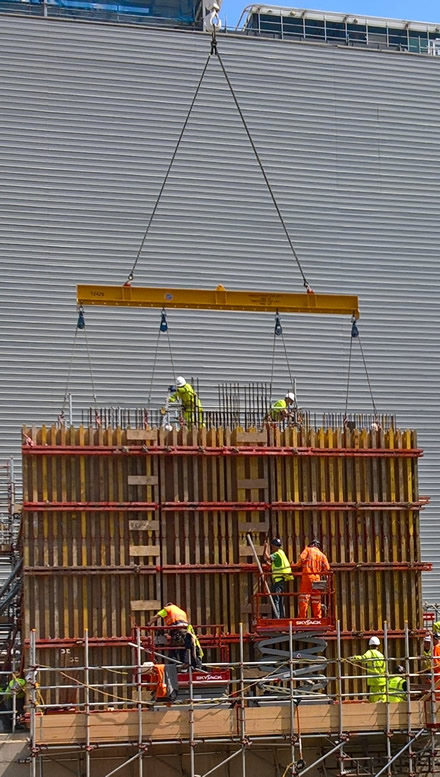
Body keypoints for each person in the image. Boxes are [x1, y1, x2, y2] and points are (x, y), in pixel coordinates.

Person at [296, 539, 330, 619]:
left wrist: (297, 565)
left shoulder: (307, 550)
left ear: (311, 544)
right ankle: (318, 618)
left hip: (307, 578)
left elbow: (300, 560)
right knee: (316, 599)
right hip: (317, 579)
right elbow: (327, 569)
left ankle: (302, 618)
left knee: (303, 599)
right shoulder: (322, 555)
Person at [263, 538, 293, 618]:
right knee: (280, 600)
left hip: (278, 580)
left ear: (273, 546)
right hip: (282, 579)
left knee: (276, 599)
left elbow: (267, 557)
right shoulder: (281, 553)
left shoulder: (276, 554)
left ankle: (277, 617)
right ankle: (281, 616)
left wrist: (265, 548)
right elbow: (276, 565)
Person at [350, 636, 386, 702]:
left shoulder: (370, 652)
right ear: (378, 645)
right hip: (382, 680)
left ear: (370, 645)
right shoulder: (381, 655)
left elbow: (364, 658)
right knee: (383, 700)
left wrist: (354, 658)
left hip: (375, 681)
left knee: (373, 701)